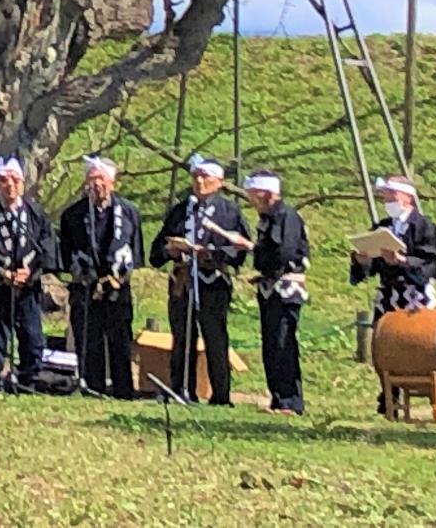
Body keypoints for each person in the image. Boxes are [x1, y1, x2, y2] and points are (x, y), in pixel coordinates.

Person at [150, 155, 249, 406]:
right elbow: (157, 248)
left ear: (219, 181)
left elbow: (241, 250)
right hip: (183, 281)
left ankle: (221, 395)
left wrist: (212, 254)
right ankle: (182, 389)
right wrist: (169, 251)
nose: (200, 181)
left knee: (215, 338)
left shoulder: (230, 211)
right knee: (182, 338)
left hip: (213, 281)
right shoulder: (181, 210)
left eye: (205, 177)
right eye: (196, 176)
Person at [350, 174, 436, 418]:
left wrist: (403, 261)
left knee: (421, 344)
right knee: (384, 346)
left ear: (407, 197)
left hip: (416, 295)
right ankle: (389, 397)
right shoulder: (382, 226)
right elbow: (370, 266)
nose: (387, 199)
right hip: (388, 294)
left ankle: (433, 393)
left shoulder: (425, 227)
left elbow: (430, 262)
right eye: (385, 195)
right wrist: (363, 260)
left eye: (391, 194)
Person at [54, 154, 143, 399]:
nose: (96, 185)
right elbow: (67, 253)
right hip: (86, 288)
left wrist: (119, 277)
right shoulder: (73, 215)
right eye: (92, 179)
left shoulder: (128, 212)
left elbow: (134, 251)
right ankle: (93, 387)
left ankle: (123, 389)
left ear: (112, 183)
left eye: (101, 179)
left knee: (120, 340)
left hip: (117, 286)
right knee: (89, 340)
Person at [227, 170, 308, 415]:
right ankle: (277, 397)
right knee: (271, 345)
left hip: (286, 289)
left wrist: (251, 248)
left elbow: (284, 253)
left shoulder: (287, 217)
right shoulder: (267, 218)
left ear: (267, 193)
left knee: (284, 343)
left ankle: (290, 401)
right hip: (269, 290)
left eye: (253, 193)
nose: (250, 199)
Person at [0, 156, 55, 395]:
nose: (10, 185)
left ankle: (27, 381)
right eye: (4, 180)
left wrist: (30, 273)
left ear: (23, 182)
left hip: (28, 286)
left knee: (32, 336)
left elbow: (46, 246)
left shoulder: (34, 213)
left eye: (15, 180)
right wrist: (1, 273)